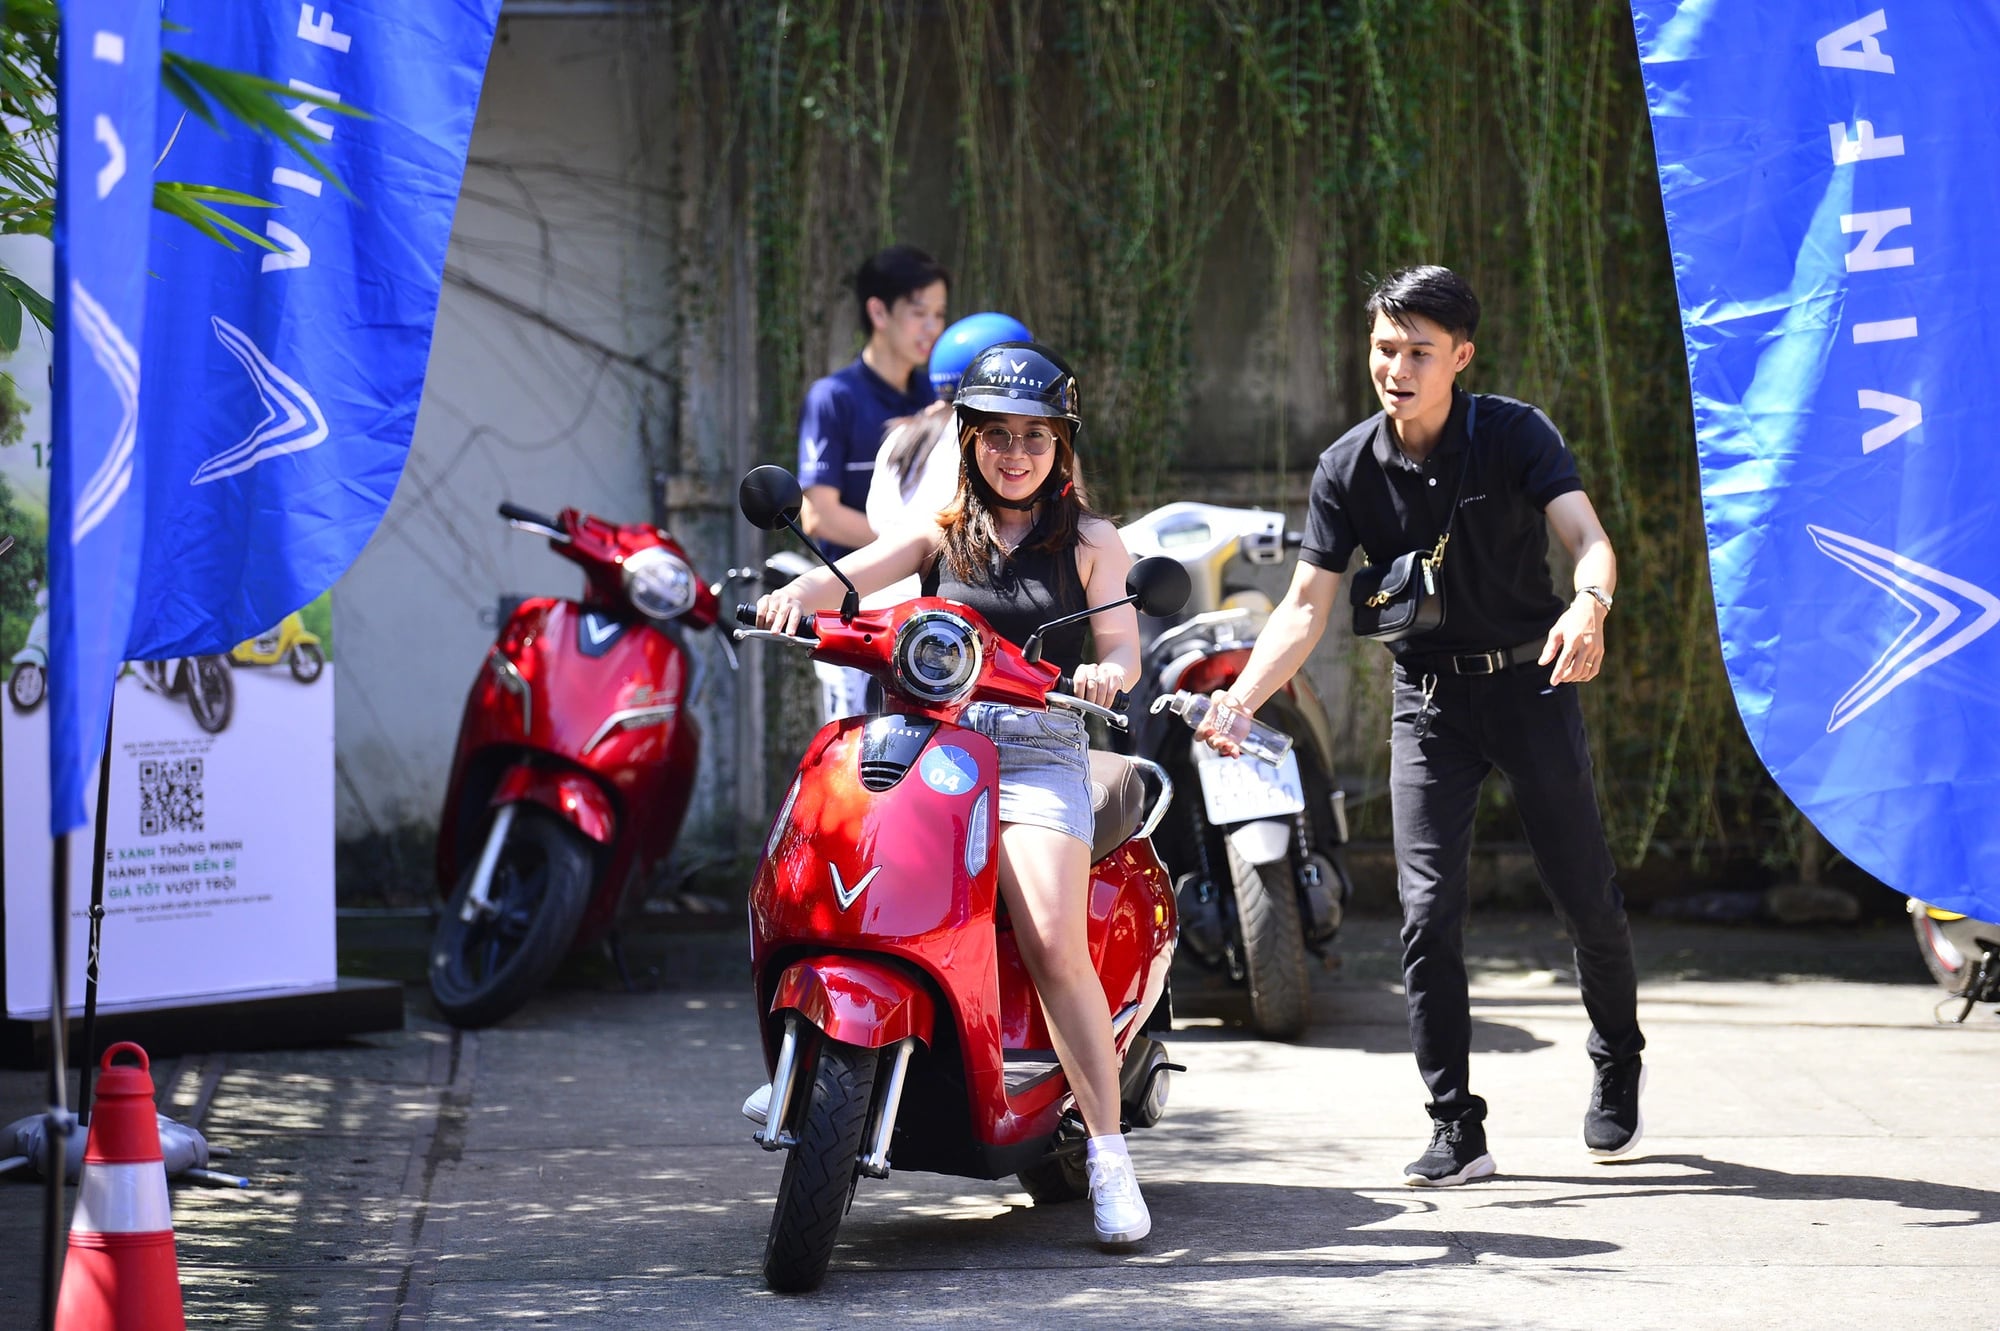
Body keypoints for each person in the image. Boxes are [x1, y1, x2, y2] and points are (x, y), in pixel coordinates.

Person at [1200, 265, 1645, 1187]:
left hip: (1532, 683)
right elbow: (1304, 607)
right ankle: (1456, 1126)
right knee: (1426, 908)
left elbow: (1588, 539)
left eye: (1418, 352)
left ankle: (1616, 1051)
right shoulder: (1347, 467)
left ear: (1461, 357)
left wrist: (1589, 604)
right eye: (1384, 348)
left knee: (1584, 894)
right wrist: (1241, 698)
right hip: (1431, 701)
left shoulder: (1516, 434)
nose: (1396, 368)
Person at [756, 341, 1154, 1247]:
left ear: (1061, 445)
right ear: (969, 440)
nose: (1016, 454)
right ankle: (825, 1055)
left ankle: (1105, 1149)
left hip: (1035, 748)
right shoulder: (942, 531)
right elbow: (847, 579)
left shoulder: (1091, 541)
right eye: (997, 437)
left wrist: (1104, 675)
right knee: (841, 875)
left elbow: (1124, 644)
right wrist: (793, 597)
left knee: (1053, 938)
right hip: (933, 740)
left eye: (1035, 438)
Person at [795, 243, 950, 720]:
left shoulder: (940, 397)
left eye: (940, 315)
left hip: (934, 620)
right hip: (856, 617)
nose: (932, 328)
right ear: (878, 311)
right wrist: (914, 549)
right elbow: (818, 514)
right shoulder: (834, 398)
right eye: (919, 312)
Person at [863, 311, 1033, 607]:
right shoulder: (997, 441)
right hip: (947, 617)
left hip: (875, 602)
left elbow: (877, 523)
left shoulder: (899, 436)